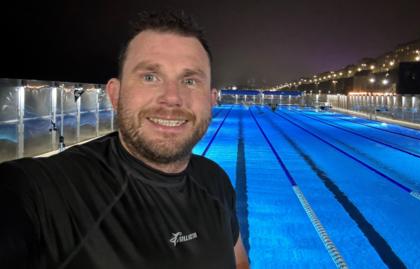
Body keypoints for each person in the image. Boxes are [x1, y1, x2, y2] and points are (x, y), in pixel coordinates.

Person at [0, 9, 249, 269]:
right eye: (150, 77)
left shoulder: (215, 180)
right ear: (115, 95)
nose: (172, 97)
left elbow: (239, 260)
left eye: (189, 80)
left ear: (211, 100)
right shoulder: (48, 192)